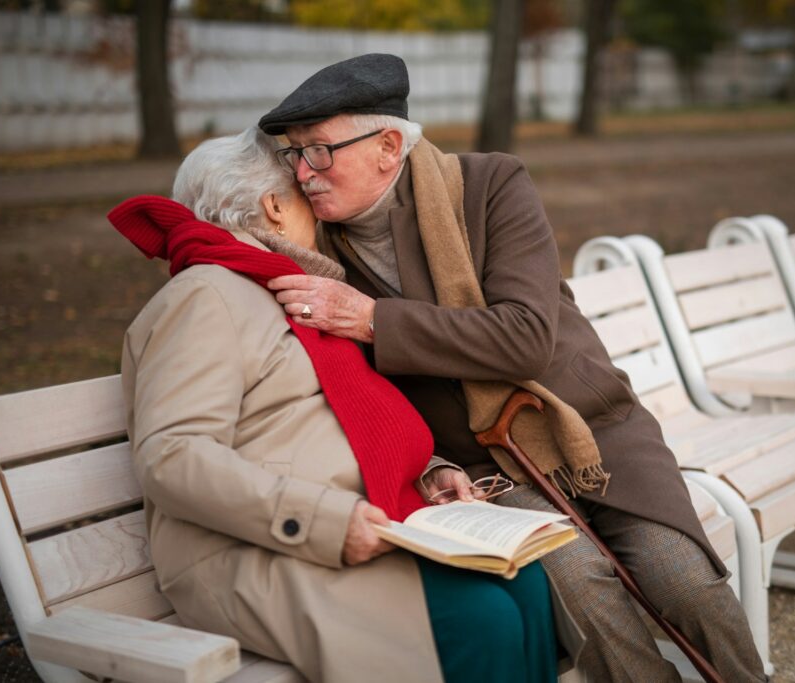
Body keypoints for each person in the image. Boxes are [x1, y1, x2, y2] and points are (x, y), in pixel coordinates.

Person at [258, 53, 767, 682]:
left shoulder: (491, 185)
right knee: (583, 590)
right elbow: (358, 394)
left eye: (320, 150)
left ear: (388, 145)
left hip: (592, 431)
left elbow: (524, 338)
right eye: (293, 154)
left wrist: (373, 320)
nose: (303, 171)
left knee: (683, 579)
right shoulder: (317, 256)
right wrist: (437, 466)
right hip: (480, 468)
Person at [112, 126, 560, 683]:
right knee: (481, 617)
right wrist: (327, 520)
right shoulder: (208, 294)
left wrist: (426, 473)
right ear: (274, 207)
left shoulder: (290, 289)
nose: (319, 206)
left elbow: (342, 419)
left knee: (525, 579)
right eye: (303, 193)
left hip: (360, 522)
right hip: (260, 549)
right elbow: (172, 456)